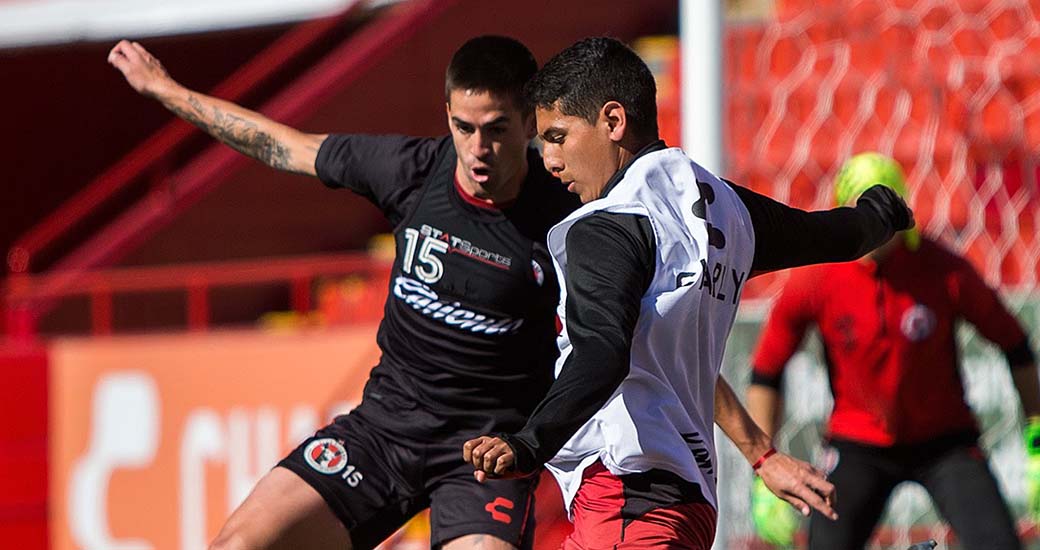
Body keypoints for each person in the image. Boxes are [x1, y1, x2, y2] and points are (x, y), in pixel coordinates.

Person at [109, 35, 582, 550]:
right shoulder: (412, 170)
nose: (477, 150)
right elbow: (283, 144)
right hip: (380, 432)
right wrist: (165, 89)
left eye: (496, 130)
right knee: (238, 544)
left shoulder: (565, 213)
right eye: (463, 128)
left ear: (531, 123)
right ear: (446, 112)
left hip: (484, 455)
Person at [462, 37, 915, 549]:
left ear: (613, 122)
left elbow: (603, 353)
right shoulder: (726, 211)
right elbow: (835, 236)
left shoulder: (607, 226)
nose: (549, 160)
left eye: (558, 137)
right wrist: (880, 214)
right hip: (687, 501)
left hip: (627, 490)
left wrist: (527, 443)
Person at [745, 152, 1040, 550]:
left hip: (945, 441)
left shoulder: (943, 270)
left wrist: (1037, 440)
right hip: (857, 442)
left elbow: (1014, 343)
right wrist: (762, 468)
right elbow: (767, 370)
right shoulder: (818, 279)